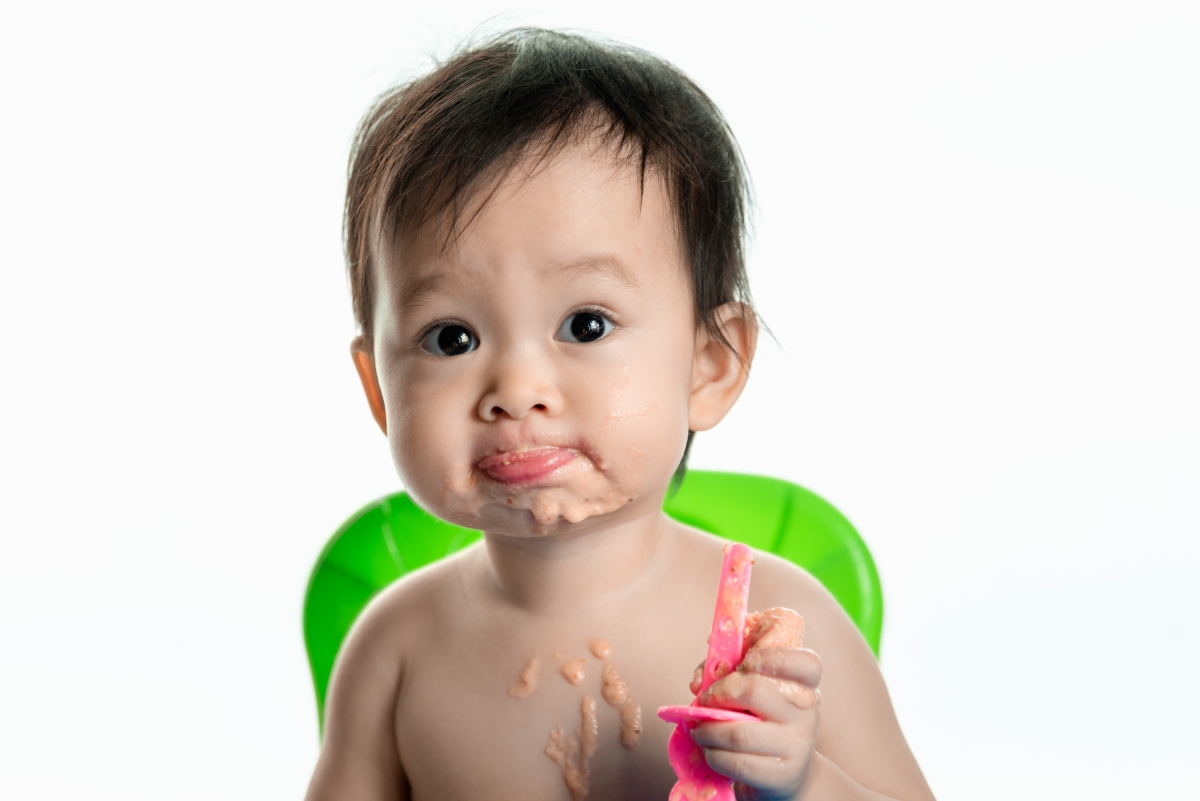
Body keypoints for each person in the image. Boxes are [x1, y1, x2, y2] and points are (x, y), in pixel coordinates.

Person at [306, 28, 934, 801]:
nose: (516, 385)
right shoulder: (394, 650)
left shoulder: (783, 624)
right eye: (451, 337)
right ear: (378, 390)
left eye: (586, 324)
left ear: (711, 362)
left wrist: (803, 781)